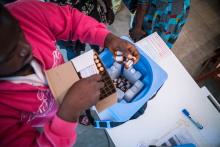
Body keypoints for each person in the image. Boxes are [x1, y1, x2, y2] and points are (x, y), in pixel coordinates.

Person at [0, 0, 139, 146]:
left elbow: (71, 20)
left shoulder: (23, 12)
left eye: (19, 33)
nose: (25, 48)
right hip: (48, 117)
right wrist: (68, 114)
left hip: (65, 89)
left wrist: (107, 38)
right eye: (10, 54)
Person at [49, 0, 115, 55]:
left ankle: (99, 53)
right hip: (63, 23)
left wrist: (109, 8)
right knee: (73, 52)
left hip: (91, 12)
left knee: (98, 42)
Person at [123, 0, 191, 48]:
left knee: (157, 45)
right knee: (140, 44)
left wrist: (137, 27)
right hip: (167, 8)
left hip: (175, 8)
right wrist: (137, 27)